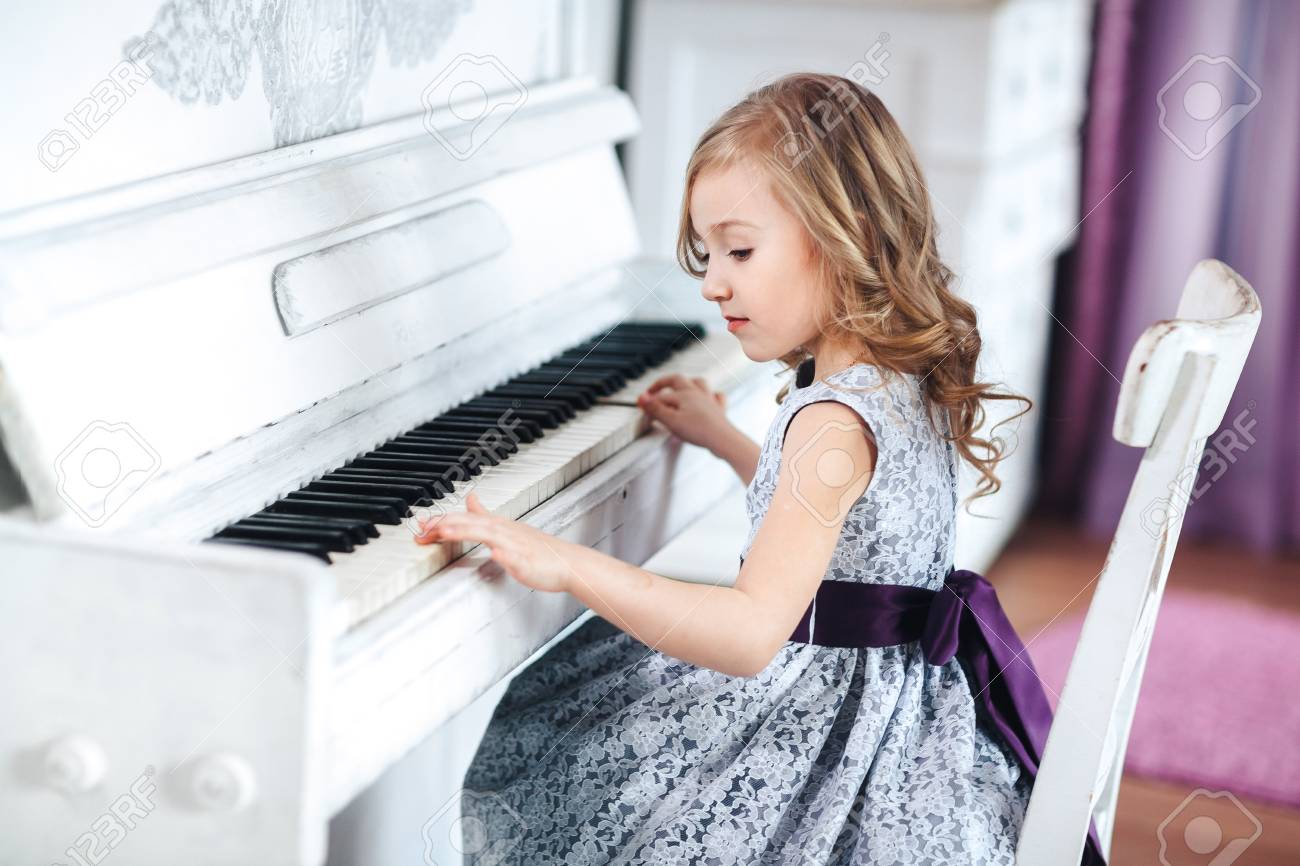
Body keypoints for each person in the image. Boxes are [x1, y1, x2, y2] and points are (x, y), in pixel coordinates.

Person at [415, 72, 1104, 866]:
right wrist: (731, 442)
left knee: (556, 735)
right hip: (907, 706)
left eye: (740, 250)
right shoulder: (897, 376)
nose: (712, 281)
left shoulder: (830, 422)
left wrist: (567, 562)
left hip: (826, 736)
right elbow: (847, 544)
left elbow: (747, 636)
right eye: (709, 253)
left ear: (845, 234)